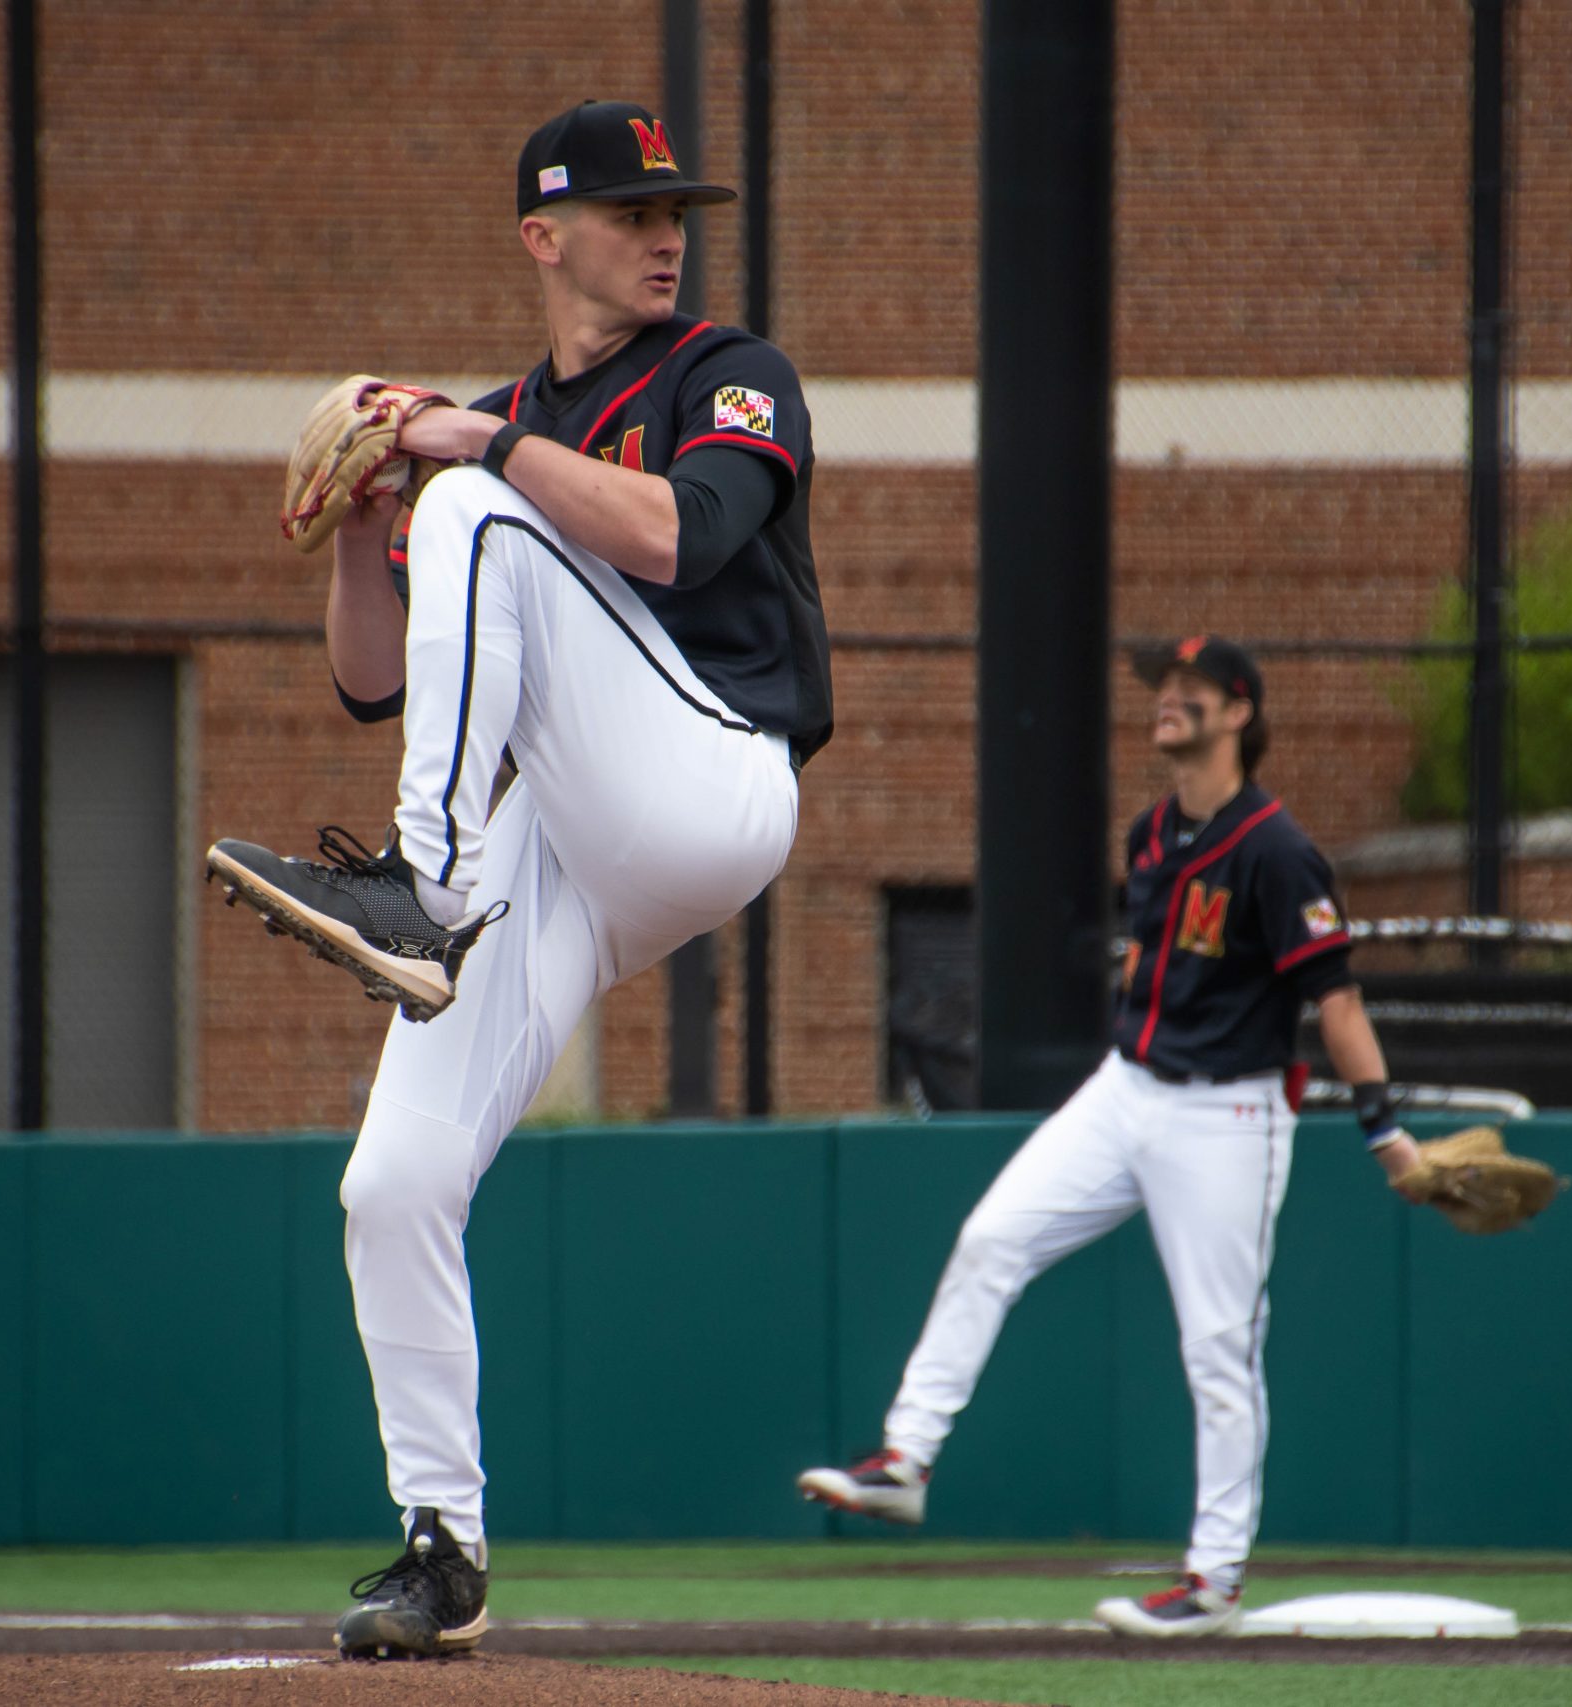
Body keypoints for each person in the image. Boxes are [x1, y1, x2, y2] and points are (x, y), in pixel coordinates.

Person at [205, 99, 830, 1660]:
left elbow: (685, 536)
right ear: (544, 237)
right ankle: (443, 1547)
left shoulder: (726, 373)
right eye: (628, 210)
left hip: (711, 773)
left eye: (674, 206)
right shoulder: (487, 429)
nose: (665, 230)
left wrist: (465, 453)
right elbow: (369, 683)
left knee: (482, 499)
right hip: (567, 842)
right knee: (392, 1182)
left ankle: (421, 883)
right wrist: (367, 530)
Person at [796, 636, 1426, 1639]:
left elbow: (1335, 1001)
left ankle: (1213, 1580)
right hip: (1126, 1088)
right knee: (991, 1240)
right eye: (1160, 689)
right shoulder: (1151, 834)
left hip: (1228, 1113)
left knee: (1220, 1349)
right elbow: (1150, 957)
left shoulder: (1276, 849)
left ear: (1239, 713)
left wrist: (1383, 1129)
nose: (1166, 702)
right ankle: (904, 1461)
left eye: (1190, 691)